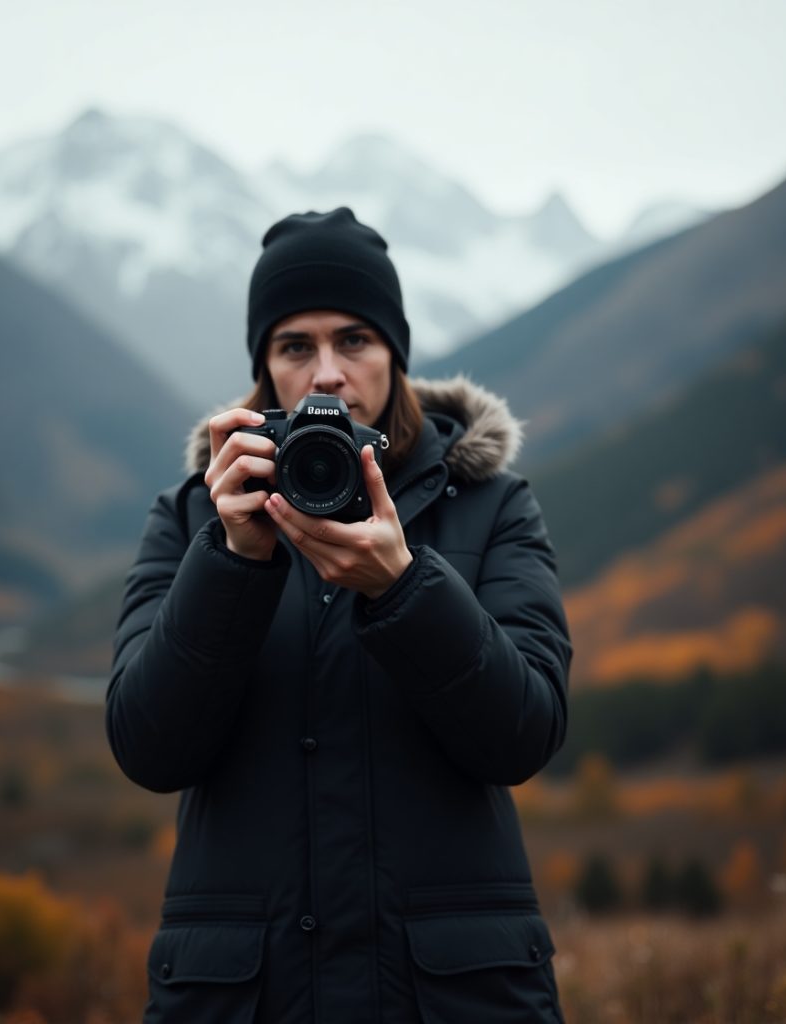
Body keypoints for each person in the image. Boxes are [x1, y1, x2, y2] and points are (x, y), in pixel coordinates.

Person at [106, 207, 572, 1024]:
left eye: (354, 340)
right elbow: (148, 746)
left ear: (394, 355)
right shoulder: (191, 519)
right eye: (295, 346)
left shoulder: (494, 508)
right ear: (264, 370)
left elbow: (525, 732)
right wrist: (232, 559)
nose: (327, 373)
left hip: (453, 998)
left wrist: (404, 589)